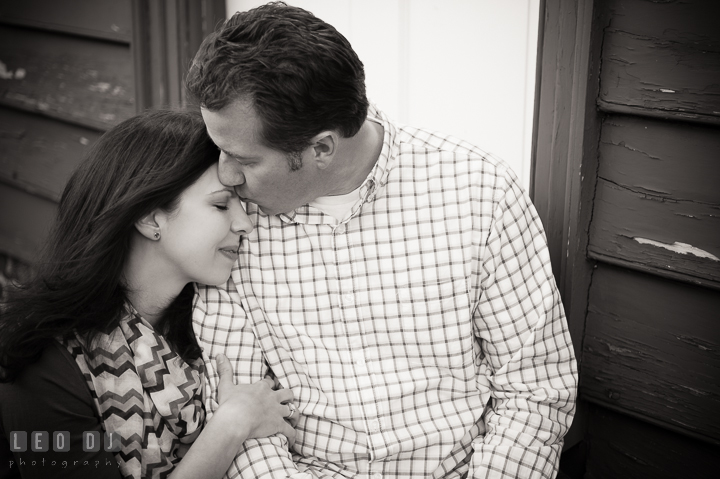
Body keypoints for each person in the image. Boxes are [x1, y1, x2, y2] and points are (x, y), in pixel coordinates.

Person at [186, 2, 578, 478]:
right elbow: (235, 403)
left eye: (242, 158)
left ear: (322, 148)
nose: (225, 175)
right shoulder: (230, 221)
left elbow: (536, 389)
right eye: (219, 150)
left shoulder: (480, 192)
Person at [0, 110, 297, 479]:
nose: (245, 223)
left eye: (243, 205)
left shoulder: (215, 324)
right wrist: (232, 423)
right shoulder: (44, 361)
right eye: (221, 205)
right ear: (150, 218)